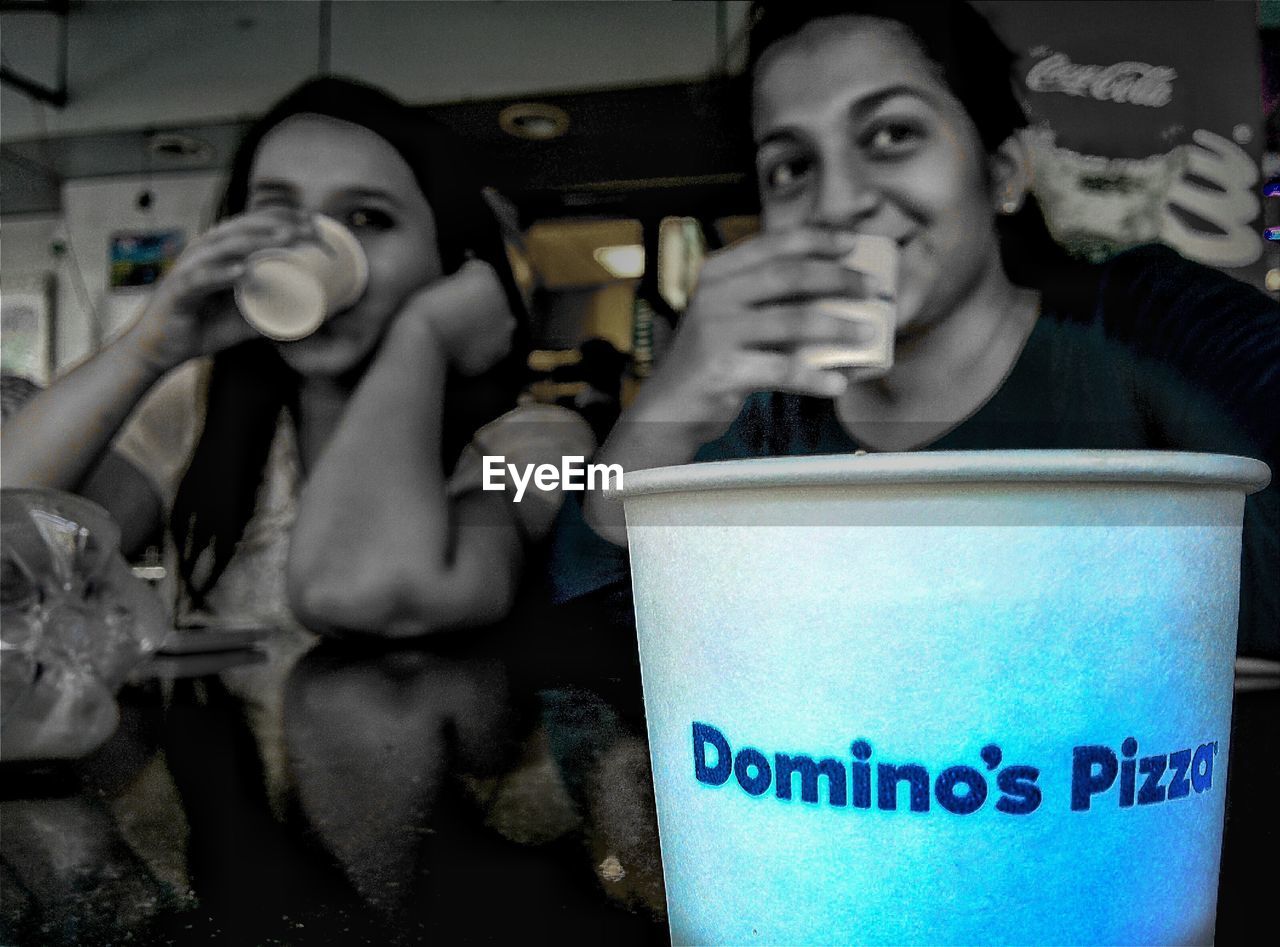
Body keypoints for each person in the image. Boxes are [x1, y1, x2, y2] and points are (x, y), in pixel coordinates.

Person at [546, 0, 1279, 914]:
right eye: (790, 166)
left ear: (1004, 172)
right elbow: (593, 648)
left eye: (891, 134)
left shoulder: (1150, 323)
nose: (839, 199)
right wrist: (671, 406)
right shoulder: (766, 414)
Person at [2, 76, 593, 642]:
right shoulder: (196, 413)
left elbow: (385, 596)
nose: (310, 252)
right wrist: (148, 348)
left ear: (451, 260)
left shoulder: (537, 446)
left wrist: (423, 337)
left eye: (366, 218)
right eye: (276, 215)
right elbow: (15, 553)